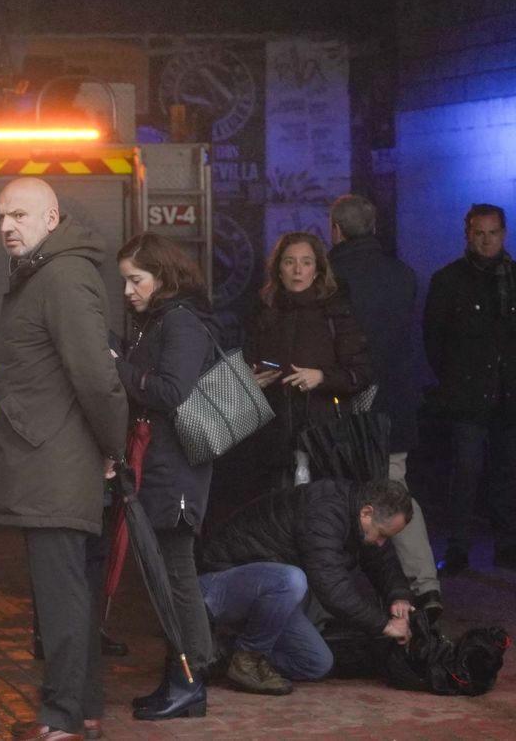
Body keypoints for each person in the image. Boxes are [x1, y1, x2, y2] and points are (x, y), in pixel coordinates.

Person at [0, 176, 127, 741]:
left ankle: (62, 719)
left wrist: (112, 447)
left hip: (56, 463)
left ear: (51, 218)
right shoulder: (46, 271)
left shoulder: (62, 276)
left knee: (60, 596)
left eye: (19, 215)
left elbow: (96, 375)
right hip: (51, 458)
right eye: (1, 217)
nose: (7, 226)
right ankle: (81, 707)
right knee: (70, 592)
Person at [113, 233, 217, 722]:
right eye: (125, 281)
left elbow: (173, 392)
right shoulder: (157, 321)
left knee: (176, 576)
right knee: (168, 576)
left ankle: (190, 682)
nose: (129, 290)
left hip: (175, 470)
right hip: (162, 466)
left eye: (137, 279)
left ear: (164, 275)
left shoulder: (180, 322)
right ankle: (180, 679)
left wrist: (118, 367)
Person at [327, 194, 440, 615]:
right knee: (396, 491)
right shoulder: (404, 275)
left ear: (335, 229)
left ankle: (327, 594)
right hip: (394, 404)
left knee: (332, 494)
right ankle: (425, 585)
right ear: (374, 227)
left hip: (342, 403)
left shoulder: (329, 277)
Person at [198, 479, 415, 694]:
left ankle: (222, 654)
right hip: (218, 582)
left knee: (316, 663)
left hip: (270, 592)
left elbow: (382, 559)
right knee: (292, 580)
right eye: (383, 535)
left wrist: (399, 596)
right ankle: (248, 657)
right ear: (366, 512)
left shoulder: (358, 515)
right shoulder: (324, 512)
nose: (381, 543)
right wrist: (384, 625)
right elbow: (332, 589)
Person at [423, 203, 516, 575]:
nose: (487, 240)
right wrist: (455, 380)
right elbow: (434, 339)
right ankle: (460, 546)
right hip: (467, 395)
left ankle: (505, 544)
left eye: (492, 233)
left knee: (504, 473)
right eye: (480, 233)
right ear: (468, 234)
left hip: (507, 393)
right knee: (466, 472)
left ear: (503, 234)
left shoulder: (511, 277)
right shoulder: (449, 280)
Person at [242, 231, 372, 490]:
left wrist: (322, 377)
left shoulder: (336, 313)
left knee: (322, 511)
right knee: (278, 512)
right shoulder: (265, 311)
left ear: (318, 270)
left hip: (325, 434)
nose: (297, 270)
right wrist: (250, 379)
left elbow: (362, 373)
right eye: (289, 262)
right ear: (279, 269)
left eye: (306, 262)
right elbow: (249, 361)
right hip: (274, 435)